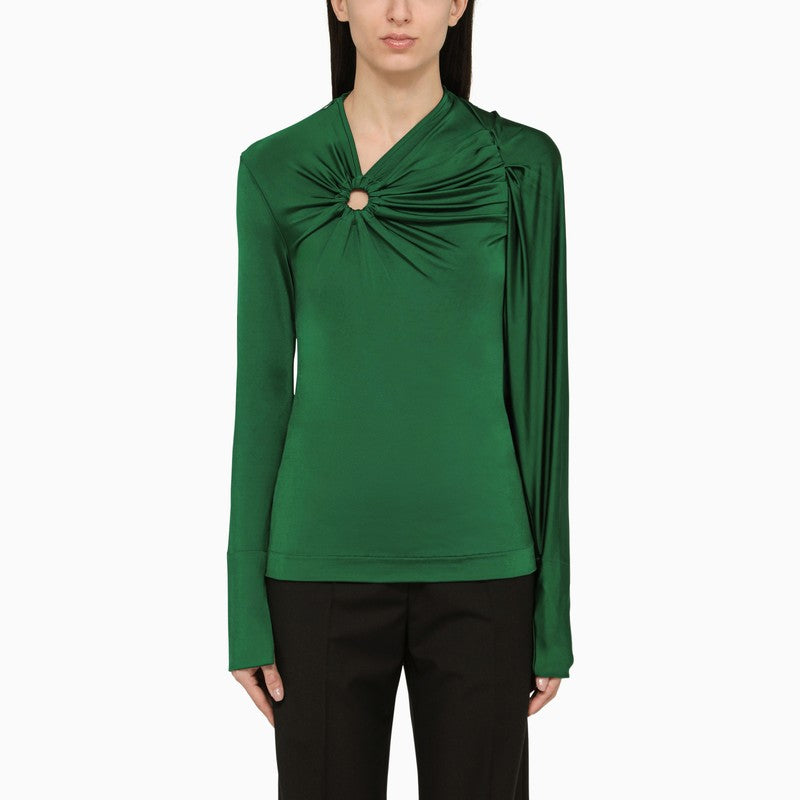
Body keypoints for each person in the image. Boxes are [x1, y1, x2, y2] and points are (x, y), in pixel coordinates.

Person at [226, 1, 574, 797]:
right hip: (315, 568)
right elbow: (261, 394)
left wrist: (550, 610)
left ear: (458, 5)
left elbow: (542, 390)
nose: (398, 10)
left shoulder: (521, 163)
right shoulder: (274, 168)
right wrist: (246, 604)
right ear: (337, 2)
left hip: (485, 563)